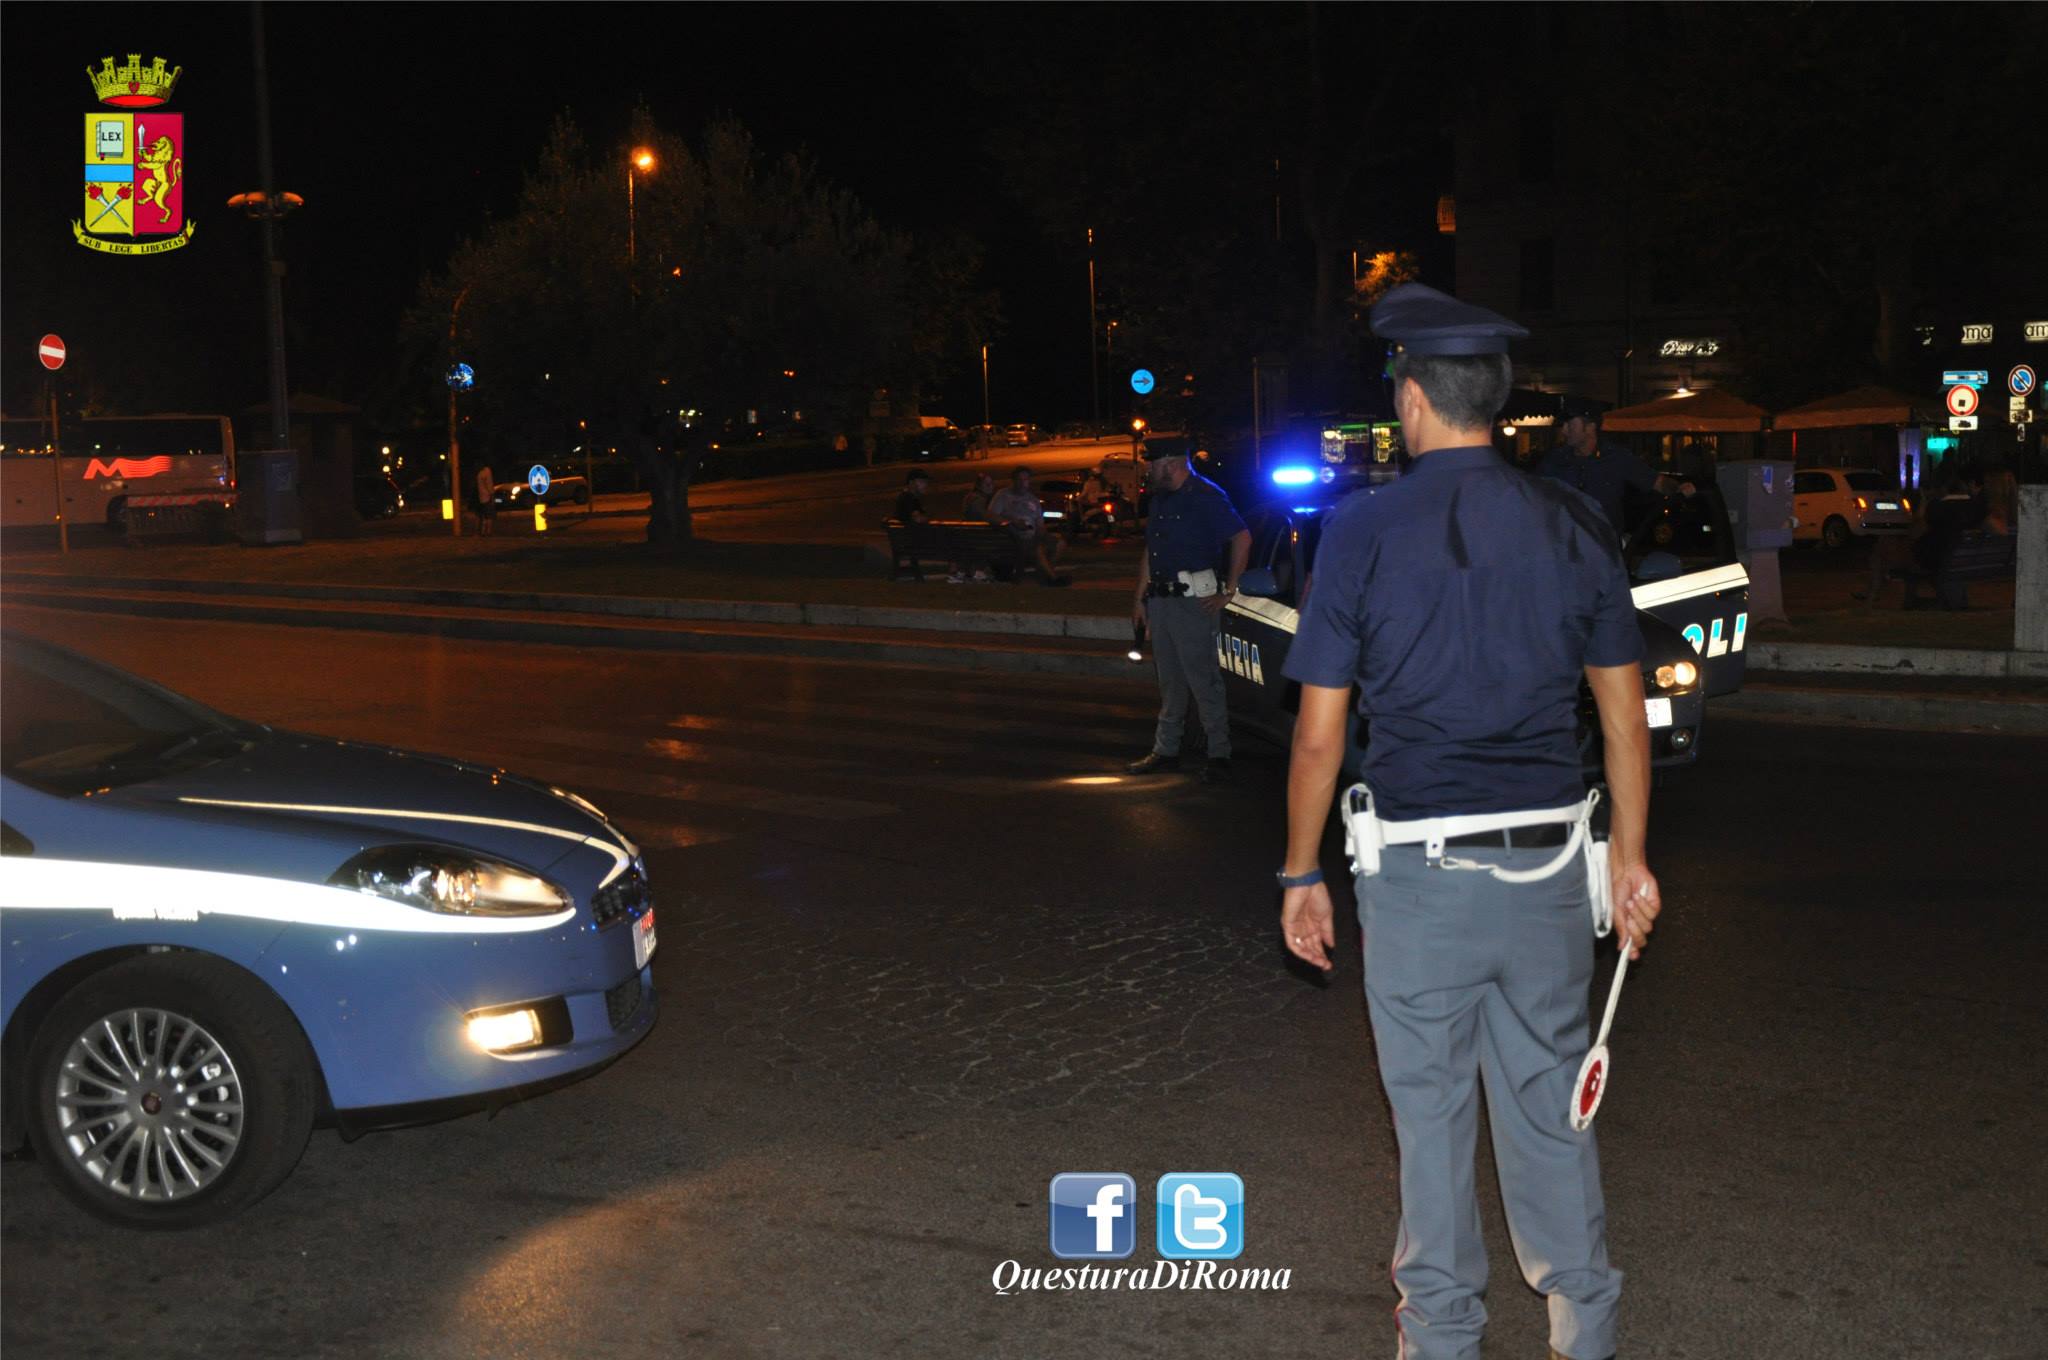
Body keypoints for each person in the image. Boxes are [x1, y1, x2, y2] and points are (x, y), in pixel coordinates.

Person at [1277, 282, 1661, 1360]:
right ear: (1494, 400)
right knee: (1551, 1113)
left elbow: (1316, 737)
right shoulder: (1571, 522)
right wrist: (1627, 858)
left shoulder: (1358, 531)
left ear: (1409, 397)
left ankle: (1440, 1340)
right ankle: (1584, 1329)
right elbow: (1623, 717)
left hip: (1418, 882)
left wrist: (1298, 872)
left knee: (1432, 1129)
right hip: (1549, 876)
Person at [1124, 449, 1251, 783]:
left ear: (1172, 464)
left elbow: (1242, 537)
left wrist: (1231, 590)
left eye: (1152, 465)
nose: (1148, 471)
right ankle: (1166, 750)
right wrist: (1139, 600)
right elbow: (1150, 553)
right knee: (1170, 681)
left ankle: (1218, 754)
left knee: (1203, 680)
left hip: (1194, 601)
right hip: (1163, 601)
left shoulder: (1206, 495)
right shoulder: (1161, 499)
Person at [1536, 396, 1695, 537]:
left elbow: (1656, 482)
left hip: (1604, 547)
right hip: (1565, 546)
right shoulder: (1555, 460)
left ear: (1590, 427)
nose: (1564, 430)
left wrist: (1678, 488)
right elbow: (1534, 495)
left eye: (1570, 424)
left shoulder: (1616, 457)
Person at [987, 467, 1069, 585]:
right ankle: (1053, 578)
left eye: (1025, 480)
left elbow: (1040, 524)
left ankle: (1045, 573)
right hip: (1014, 536)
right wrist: (1012, 521)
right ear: (1013, 480)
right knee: (1037, 548)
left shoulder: (1033, 499)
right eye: (1019, 479)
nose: (1022, 483)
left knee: (1060, 543)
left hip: (1033, 534)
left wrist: (1041, 533)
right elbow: (991, 515)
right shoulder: (1003, 495)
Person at [474, 463, 497, 537]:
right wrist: (492, 495)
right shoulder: (487, 471)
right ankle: (488, 531)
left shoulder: (479, 474)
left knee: (483, 515)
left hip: (481, 496)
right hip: (487, 496)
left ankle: (483, 531)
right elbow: (489, 484)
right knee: (489, 515)